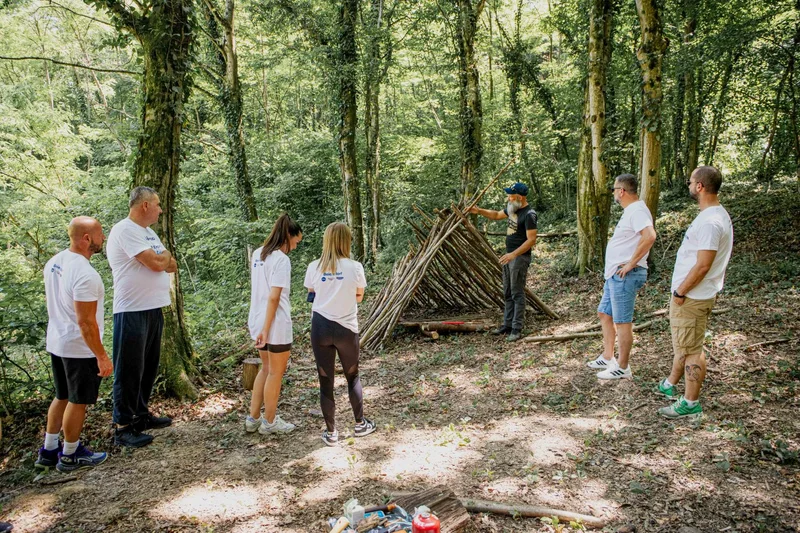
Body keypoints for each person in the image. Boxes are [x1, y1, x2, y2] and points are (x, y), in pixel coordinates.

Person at [656, 166, 733, 419]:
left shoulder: (711, 222)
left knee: (691, 351)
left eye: (690, 182)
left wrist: (680, 292)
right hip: (695, 295)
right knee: (687, 345)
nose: (688, 186)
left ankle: (690, 403)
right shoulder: (714, 215)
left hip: (692, 297)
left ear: (699, 186)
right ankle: (671, 384)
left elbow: (703, 265)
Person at [36, 217, 112, 473]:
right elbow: (86, 323)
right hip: (79, 348)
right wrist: (101, 356)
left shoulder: (55, 261)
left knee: (62, 395)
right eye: (100, 233)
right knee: (77, 401)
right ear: (87, 239)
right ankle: (70, 453)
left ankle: (49, 450)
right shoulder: (85, 274)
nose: (103, 237)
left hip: (57, 340)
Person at [106, 187, 177, 448]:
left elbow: (172, 264)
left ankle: (141, 414)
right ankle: (123, 427)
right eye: (157, 204)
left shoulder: (149, 233)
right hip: (131, 310)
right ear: (145, 205)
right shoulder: (125, 229)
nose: (161, 209)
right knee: (128, 368)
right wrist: (162, 258)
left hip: (153, 307)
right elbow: (158, 264)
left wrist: (162, 258)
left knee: (148, 366)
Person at [304, 222, 376, 446]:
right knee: (352, 377)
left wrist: (327, 292)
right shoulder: (355, 267)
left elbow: (311, 295)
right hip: (347, 329)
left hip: (321, 328)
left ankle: (331, 432)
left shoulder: (314, 266)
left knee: (325, 381)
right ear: (347, 241)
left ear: (326, 240)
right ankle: (360, 424)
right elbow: (359, 297)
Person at [587, 174, 656, 380]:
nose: (613, 194)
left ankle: (623, 367)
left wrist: (631, 263)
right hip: (615, 275)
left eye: (614, 190)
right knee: (604, 313)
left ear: (622, 191)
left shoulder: (637, 211)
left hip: (625, 274)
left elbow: (650, 236)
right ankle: (608, 356)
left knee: (622, 321)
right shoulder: (631, 211)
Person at [245, 214, 303, 434]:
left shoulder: (258, 254)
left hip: (258, 318)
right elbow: (274, 297)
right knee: (275, 373)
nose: (295, 247)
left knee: (266, 368)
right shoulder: (281, 260)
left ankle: (253, 418)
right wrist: (267, 329)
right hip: (275, 323)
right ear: (288, 236)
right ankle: (269, 422)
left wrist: (262, 328)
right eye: (296, 241)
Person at [468, 182, 538, 341]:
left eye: (511, 196)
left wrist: (513, 254)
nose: (508, 199)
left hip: (519, 258)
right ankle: (507, 324)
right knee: (507, 292)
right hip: (509, 257)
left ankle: (516, 329)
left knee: (517, 292)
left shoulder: (529, 215)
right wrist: (479, 211)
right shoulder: (513, 209)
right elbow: (496, 215)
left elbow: (531, 240)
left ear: (520, 197)